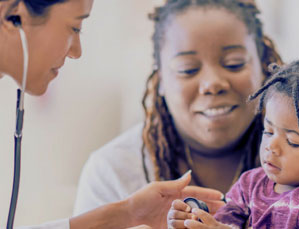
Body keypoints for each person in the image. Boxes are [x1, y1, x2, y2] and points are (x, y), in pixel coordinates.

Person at [0, 0, 224, 228]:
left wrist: (128, 214)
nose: (77, 52)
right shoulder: (110, 166)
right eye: (75, 27)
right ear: (11, 16)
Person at [73, 0, 282, 216]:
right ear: (160, 79)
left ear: (265, 67)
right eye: (187, 69)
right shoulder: (113, 171)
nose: (212, 83)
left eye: (234, 63)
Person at [167, 58, 299, 228]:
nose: (271, 146)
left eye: (293, 142)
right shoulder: (250, 184)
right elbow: (223, 224)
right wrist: (195, 221)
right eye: (268, 131)